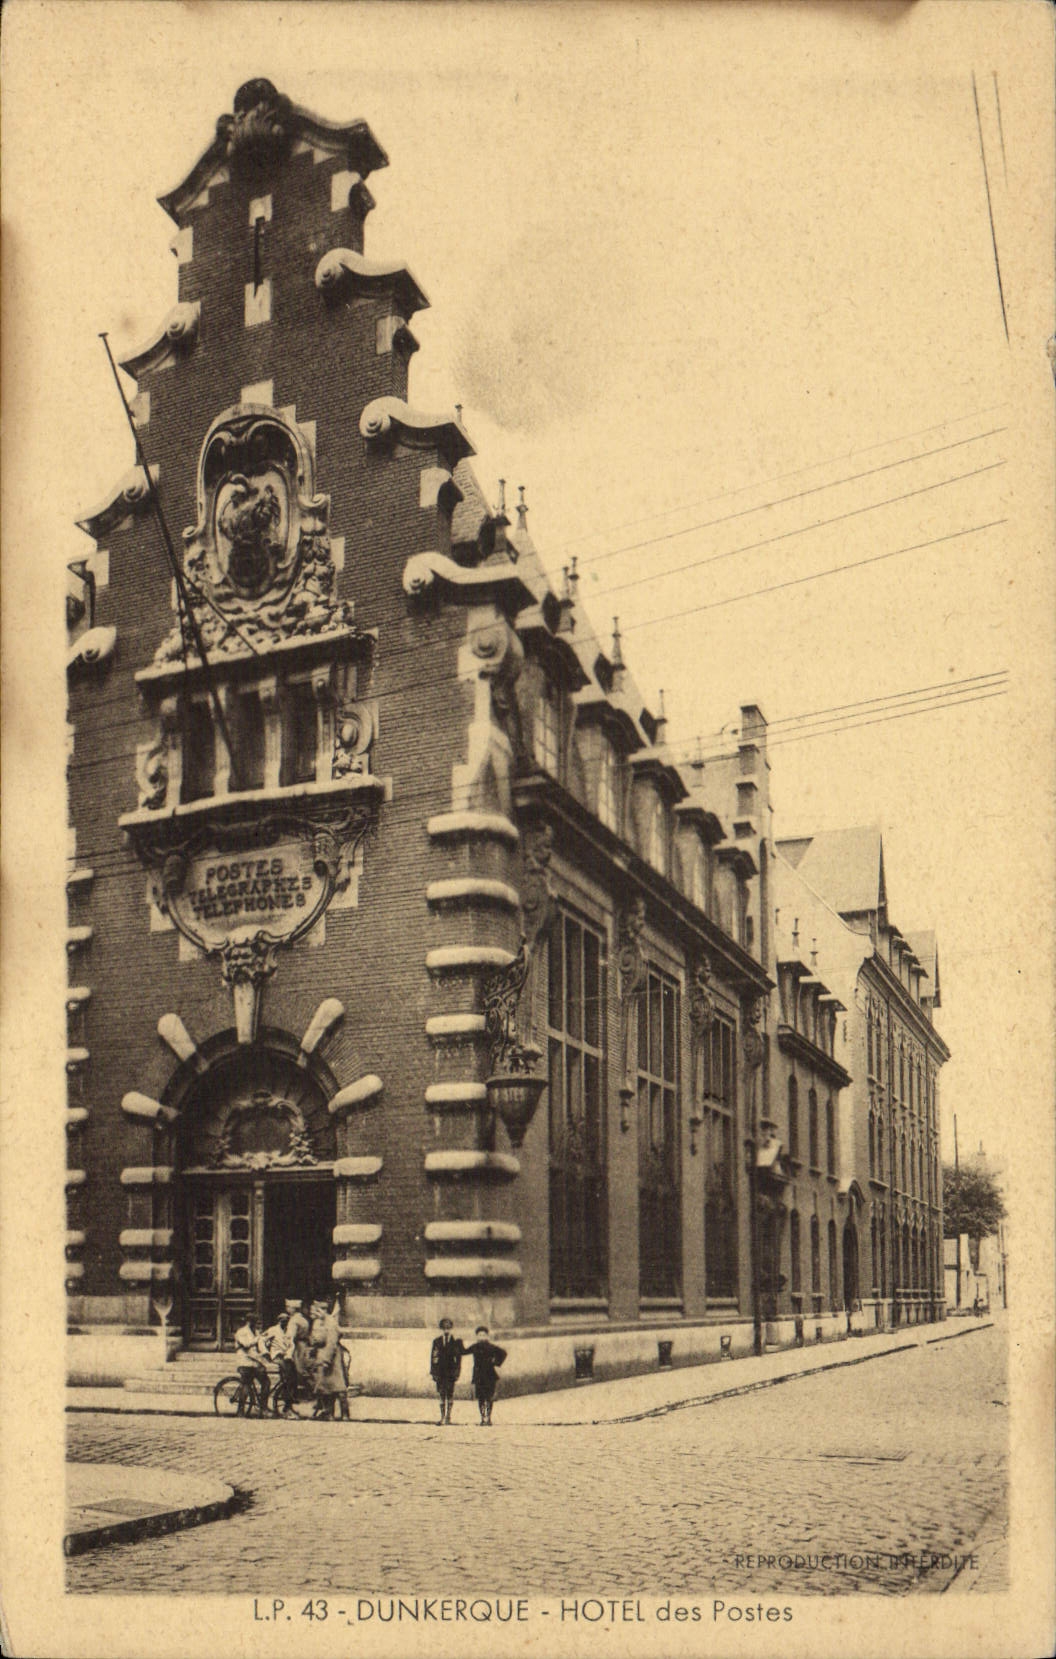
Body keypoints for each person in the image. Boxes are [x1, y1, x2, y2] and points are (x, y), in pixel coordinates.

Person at [309, 1297, 350, 1420]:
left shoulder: (330, 1323)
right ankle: (329, 1413)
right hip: (322, 1357)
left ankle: (345, 1414)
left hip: (332, 1359)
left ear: (323, 1311)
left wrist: (326, 1360)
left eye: (317, 1311)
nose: (315, 1314)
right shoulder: (319, 1322)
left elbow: (331, 1343)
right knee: (327, 1388)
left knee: (338, 1387)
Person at [462, 1326, 507, 1426]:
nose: (481, 1337)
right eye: (479, 1335)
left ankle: (488, 1417)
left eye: (483, 1335)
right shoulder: (475, 1347)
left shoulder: (491, 1347)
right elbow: (464, 1352)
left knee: (489, 1397)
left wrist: (496, 1362)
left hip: (490, 1375)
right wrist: (459, 1343)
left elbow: (503, 1353)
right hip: (478, 1376)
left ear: (487, 1336)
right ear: (476, 1336)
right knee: (481, 1397)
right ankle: (483, 1418)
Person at [429, 1317, 465, 1425]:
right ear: (441, 1329)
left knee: (449, 1394)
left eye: (448, 1328)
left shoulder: (456, 1342)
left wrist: (457, 1372)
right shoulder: (437, 1341)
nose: (446, 1330)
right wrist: (433, 1372)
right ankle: (442, 1416)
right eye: (444, 1328)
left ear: (451, 1328)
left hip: (450, 1373)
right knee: (441, 1394)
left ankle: (448, 1416)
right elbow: (433, 1357)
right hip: (440, 1373)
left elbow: (459, 1359)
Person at [233, 1314, 270, 1415]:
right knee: (246, 1383)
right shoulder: (241, 1332)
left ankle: (263, 1407)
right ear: (249, 1322)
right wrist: (258, 1338)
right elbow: (246, 1344)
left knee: (266, 1382)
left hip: (254, 1361)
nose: (257, 1325)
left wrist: (266, 1349)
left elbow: (260, 1346)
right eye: (255, 1322)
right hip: (244, 1361)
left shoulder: (256, 1332)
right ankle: (240, 1410)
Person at [263, 1311, 297, 1417]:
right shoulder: (273, 1330)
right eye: (283, 1321)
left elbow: (291, 1345)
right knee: (287, 1374)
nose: (285, 1323)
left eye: (286, 1321)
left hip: (286, 1356)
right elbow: (262, 1340)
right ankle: (286, 1399)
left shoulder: (289, 1332)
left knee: (294, 1375)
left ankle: (288, 1401)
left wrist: (289, 1354)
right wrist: (266, 1353)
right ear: (279, 1321)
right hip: (277, 1355)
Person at [285, 1298, 313, 1399]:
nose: (287, 1309)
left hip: (298, 1346)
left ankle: (312, 1391)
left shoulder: (294, 1320)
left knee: (300, 1369)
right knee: (304, 1368)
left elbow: (290, 1336)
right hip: (304, 1344)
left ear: (293, 1308)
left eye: (288, 1307)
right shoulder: (302, 1319)